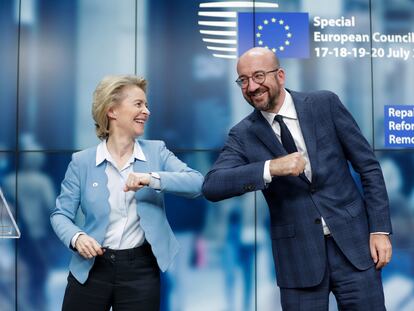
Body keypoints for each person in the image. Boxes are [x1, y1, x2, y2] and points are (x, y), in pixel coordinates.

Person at [202, 47, 392, 310]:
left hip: (355, 248)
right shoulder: (242, 134)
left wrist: (380, 230)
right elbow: (213, 185)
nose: (252, 86)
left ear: (280, 75)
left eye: (258, 76)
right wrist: (271, 167)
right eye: (243, 80)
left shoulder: (325, 104)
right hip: (298, 261)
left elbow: (368, 167)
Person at [51, 75, 203, 311]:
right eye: (138, 104)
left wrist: (151, 179)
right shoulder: (81, 162)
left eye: (146, 104)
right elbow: (60, 214)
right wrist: (77, 238)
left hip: (140, 270)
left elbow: (196, 183)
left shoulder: (157, 151)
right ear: (112, 111)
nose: (147, 111)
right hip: (90, 268)